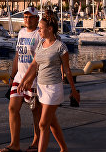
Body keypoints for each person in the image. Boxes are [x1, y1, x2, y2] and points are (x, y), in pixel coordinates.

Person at [18, 12, 80, 152]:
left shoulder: (60, 47)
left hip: (53, 89)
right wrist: (23, 81)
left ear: (50, 29)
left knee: (43, 123)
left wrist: (73, 90)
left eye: (40, 28)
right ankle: (64, 149)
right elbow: (34, 64)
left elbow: (67, 71)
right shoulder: (40, 44)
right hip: (41, 88)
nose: (38, 30)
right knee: (52, 122)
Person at [0, 6, 41, 152]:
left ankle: (36, 142)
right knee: (12, 108)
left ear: (37, 19)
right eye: (25, 17)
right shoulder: (22, 32)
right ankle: (14, 144)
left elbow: (39, 60)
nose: (27, 19)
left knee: (35, 112)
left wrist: (30, 79)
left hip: (33, 79)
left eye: (31, 17)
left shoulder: (39, 35)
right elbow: (18, 55)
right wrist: (12, 75)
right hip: (19, 77)